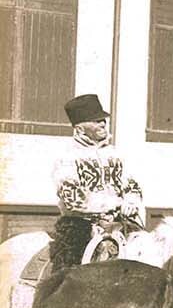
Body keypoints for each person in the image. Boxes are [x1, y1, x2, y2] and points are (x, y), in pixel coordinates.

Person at [49, 93, 144, 269]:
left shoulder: (115, 154)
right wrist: (114, 203)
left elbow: (132, 185)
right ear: (79, 129)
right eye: (96, 120)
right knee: (70, 278)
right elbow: (73, 198)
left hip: (119, 224)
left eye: (103, 120)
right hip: (82, 227)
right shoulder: (67, 157)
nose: (102, 123)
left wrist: (131, 202)